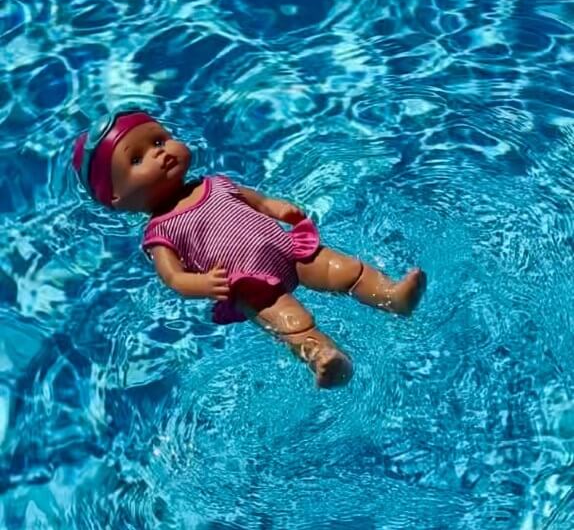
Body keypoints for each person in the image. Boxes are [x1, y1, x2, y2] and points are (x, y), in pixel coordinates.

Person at [73, 109, 426, 388]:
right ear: (115, 199)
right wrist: (202, 285)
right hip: (251, 285)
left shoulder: (215, 183)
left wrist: (277, 208)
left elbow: (257, 201)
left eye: (159, 140)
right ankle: (327, 359)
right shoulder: (159, 230)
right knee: (292, 323)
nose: (160, 153)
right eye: (137, 160)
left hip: (288, 251)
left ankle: (391, 296)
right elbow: (173, 277)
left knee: (345, 270)